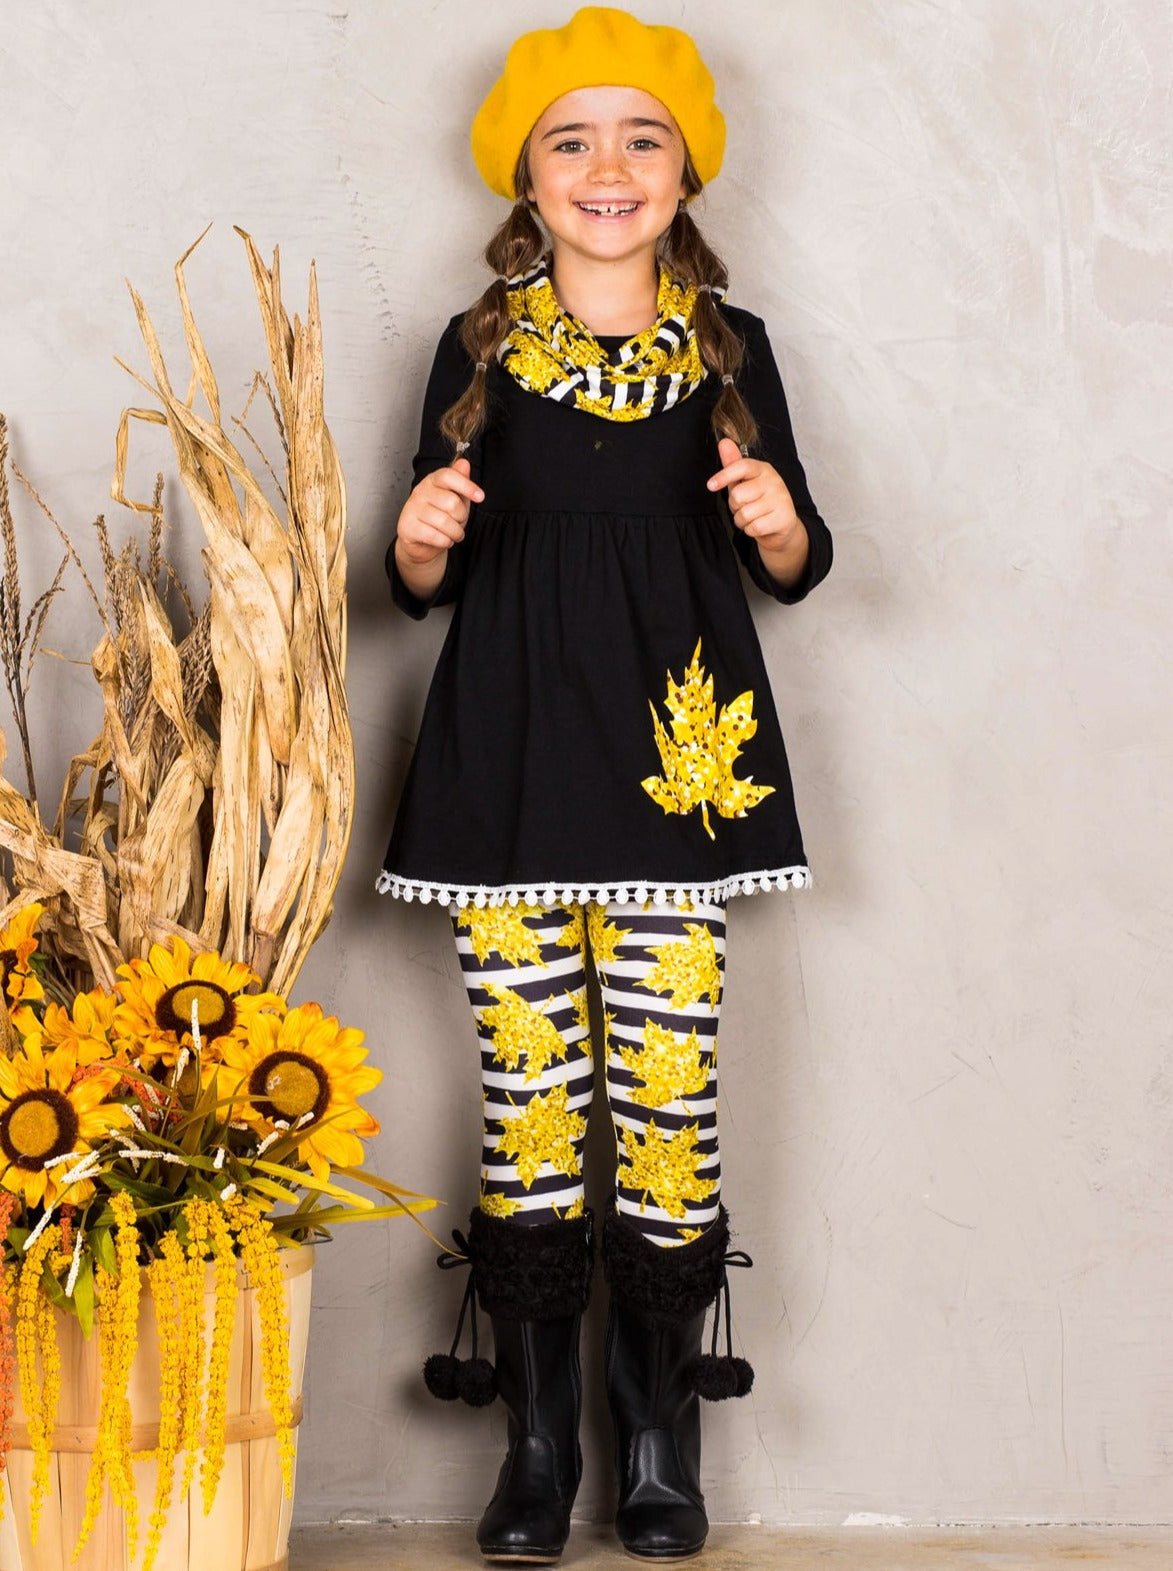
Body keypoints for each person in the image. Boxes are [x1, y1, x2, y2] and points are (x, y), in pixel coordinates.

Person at [378, 6, 833, 1562]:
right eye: (569, 138)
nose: (607, 165)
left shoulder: (728, 347)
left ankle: (656, 1441)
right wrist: (418, 542)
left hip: (670, 781)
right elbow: (420, 580)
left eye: (642, 136)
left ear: (687, 170)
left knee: (663, 1109)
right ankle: (533, 1451)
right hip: (509, 769)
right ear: (524, 173)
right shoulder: (477, 348)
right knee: (527, 1109)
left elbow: (797, 561)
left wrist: (775, 521)